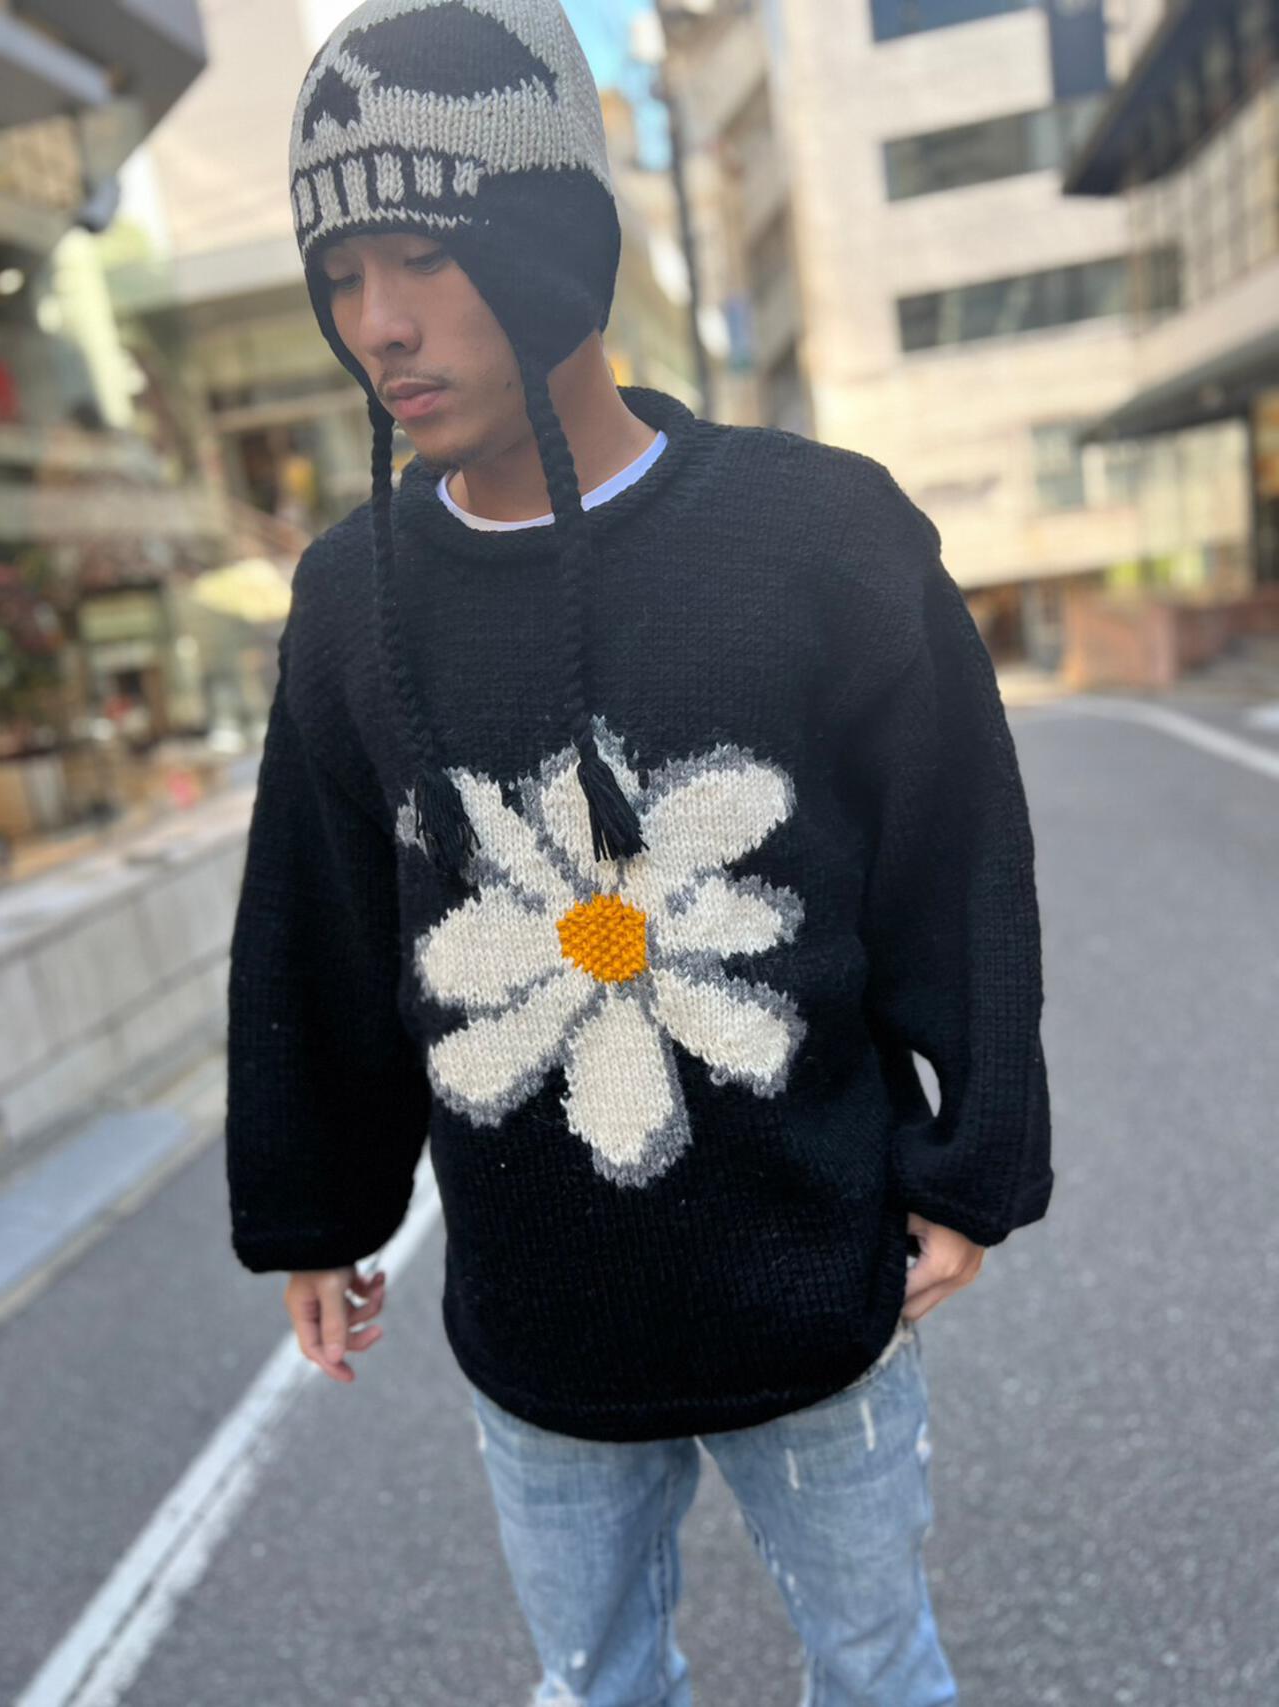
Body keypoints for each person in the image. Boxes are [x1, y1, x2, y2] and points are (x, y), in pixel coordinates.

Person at [224, 3, 1054, 1704]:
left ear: (549, 245)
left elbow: (956, 859)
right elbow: (319, 923)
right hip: (535, 1325)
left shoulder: (818, 535)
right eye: (342, 275)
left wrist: (971, 1165)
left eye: (425, 257)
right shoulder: (349, 603)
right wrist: (315, 1209)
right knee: (597, 1687)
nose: (378, 323)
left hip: (817, 1285)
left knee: (880, 1671)